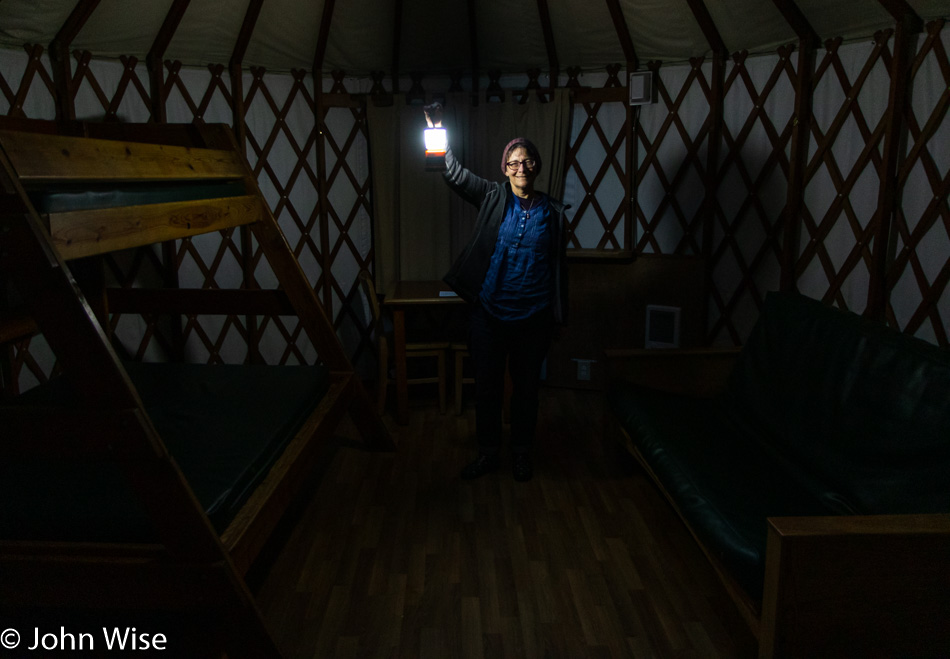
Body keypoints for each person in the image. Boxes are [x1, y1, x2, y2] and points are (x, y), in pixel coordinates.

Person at [424, 104, 569, 482]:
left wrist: (558, 314)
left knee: (525, 393)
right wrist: (439, 133)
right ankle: (488, 453)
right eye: (514, 162)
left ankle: (521, 452)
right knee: (487, 390)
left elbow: (558, 269)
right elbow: (454, 175)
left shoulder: (553, 213)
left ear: (536, 167)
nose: (521, 167)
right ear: (505, 169)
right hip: (489, 316)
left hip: (532, 319)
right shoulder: (491, 196)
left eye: (528, 161)